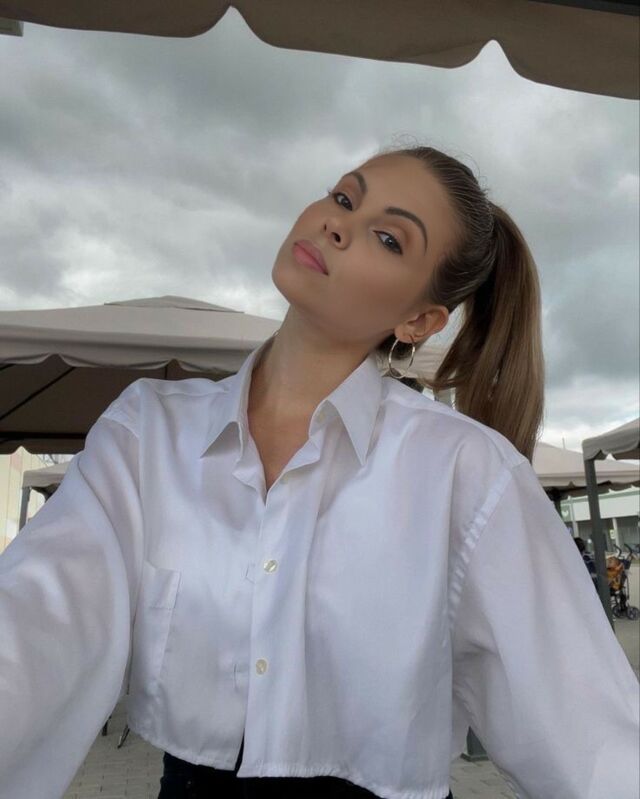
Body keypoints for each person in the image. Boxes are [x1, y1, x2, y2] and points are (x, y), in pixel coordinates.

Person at [1, 145, 638, 799]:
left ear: (419, 320)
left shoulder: (465, 471)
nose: (338, 224)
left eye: (388, 238)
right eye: (343, 197)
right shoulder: (148, 433)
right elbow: (36, 616)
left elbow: (591, 741)